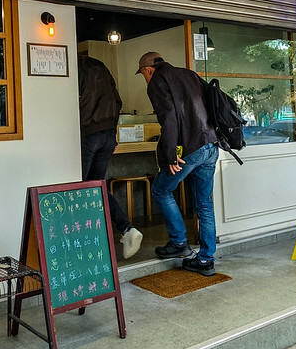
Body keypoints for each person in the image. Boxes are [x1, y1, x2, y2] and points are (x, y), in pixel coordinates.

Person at [136, 51, 219, 276]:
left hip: (190, 149)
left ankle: (179, 242)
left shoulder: (156, 82)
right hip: (211, 145)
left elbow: (169, 117)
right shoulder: (189, 74)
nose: (144, 77)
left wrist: (171, 154)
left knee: (161, 190)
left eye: (142, 73)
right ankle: (206, 260)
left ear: (148, 69)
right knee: (204, 204)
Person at [78, 55, 143, 259]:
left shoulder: (73, 67)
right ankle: (126, 229)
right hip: (107, 135)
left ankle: (82, 244)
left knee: (78, 190)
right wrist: (112, 134)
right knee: (96, 188)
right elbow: (117, 101)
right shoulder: (100, 65)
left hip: (85, 135)